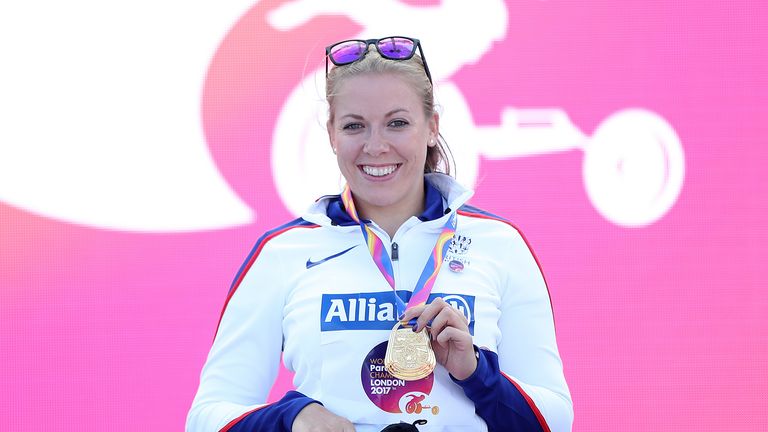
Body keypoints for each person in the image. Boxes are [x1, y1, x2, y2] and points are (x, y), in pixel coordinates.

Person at [187, 36, 573, 432]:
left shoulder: (500, 245)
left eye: (397, 123)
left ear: (431, 127)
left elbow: (557, 421)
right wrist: (292, 419)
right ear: (331, 134)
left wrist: (476, 372)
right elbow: (207, 417)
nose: (375, 146)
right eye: (355, 126)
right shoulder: (283, 252)